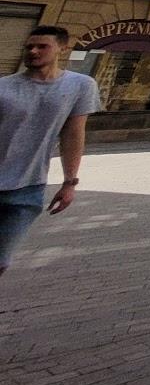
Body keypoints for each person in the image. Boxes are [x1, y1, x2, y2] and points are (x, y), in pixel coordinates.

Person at [0, 26, 101, 278]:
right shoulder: (4, 87)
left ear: (62, 48)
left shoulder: (81, 85)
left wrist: (70, 183)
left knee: (2, 260)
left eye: (42, 46)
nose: (33, 51)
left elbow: (73, 134)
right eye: (29, 47)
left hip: (27, 189)